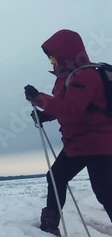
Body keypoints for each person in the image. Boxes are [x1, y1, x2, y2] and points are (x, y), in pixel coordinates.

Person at [24, 29, 112, 236]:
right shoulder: (66, 78)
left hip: (99, 144)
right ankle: (50, 224)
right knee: (56, 177)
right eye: (50, 58)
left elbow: (71, 110)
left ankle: (51, 222)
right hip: (78, 144)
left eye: (54, 56)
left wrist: (39, 99)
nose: (52, 61)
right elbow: (66, 106)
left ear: (66, 53)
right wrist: (45, 115)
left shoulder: (87, 76)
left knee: (105, 192)